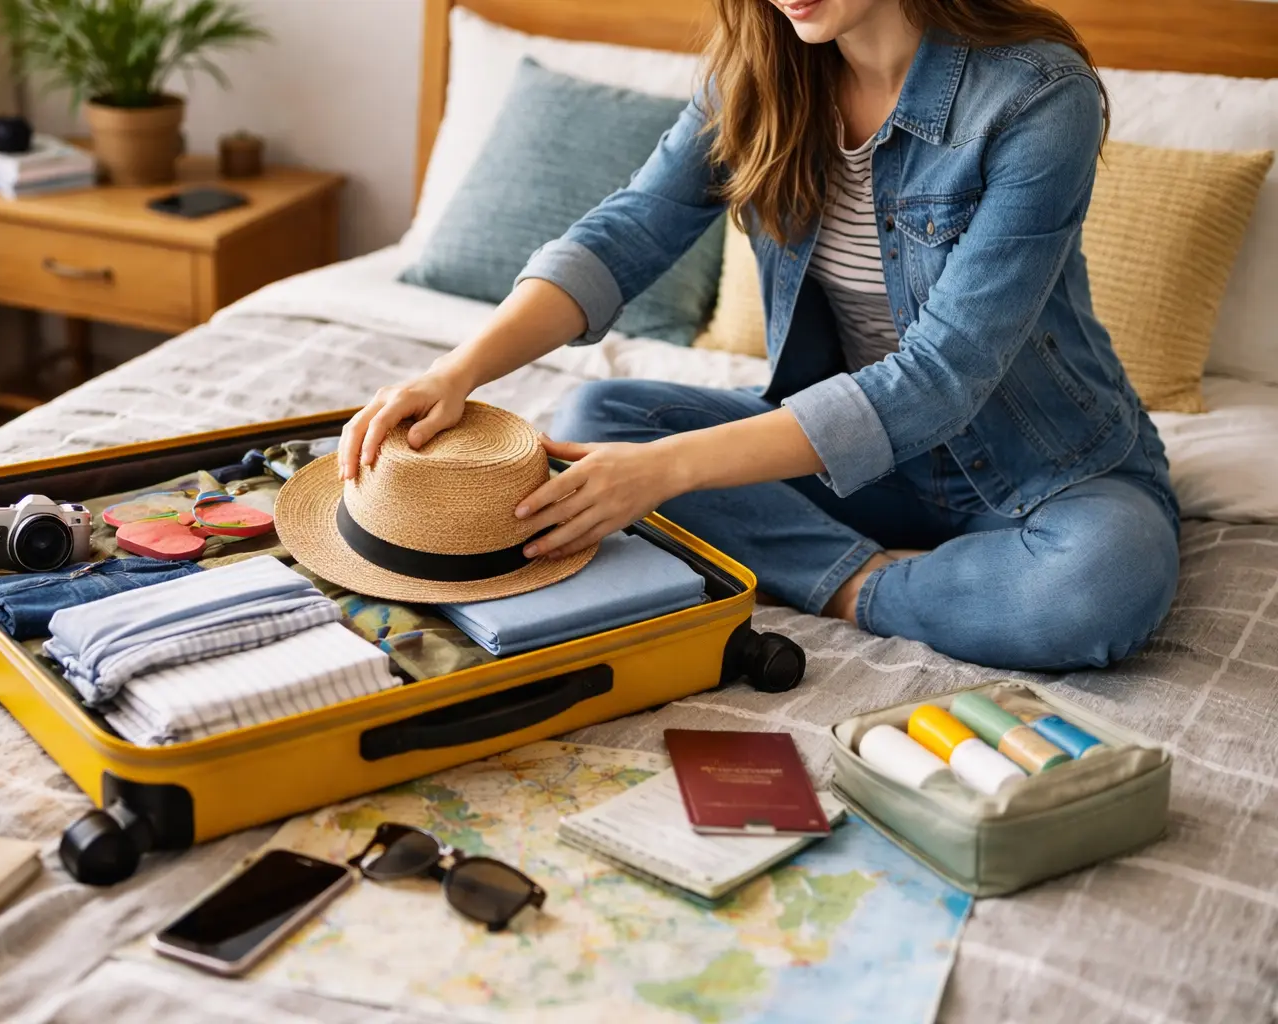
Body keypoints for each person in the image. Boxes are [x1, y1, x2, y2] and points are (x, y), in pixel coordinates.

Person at [339, 0, 1180, 671]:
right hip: (859, 467)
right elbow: (627, 234)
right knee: (597, 422)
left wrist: (667, 473)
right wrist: (457, 373)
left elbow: (945, 374)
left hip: (1048, 468)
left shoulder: (1036, 94)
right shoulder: (759, 74)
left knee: (1099, 586)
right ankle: (889, 574)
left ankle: (855, 584)